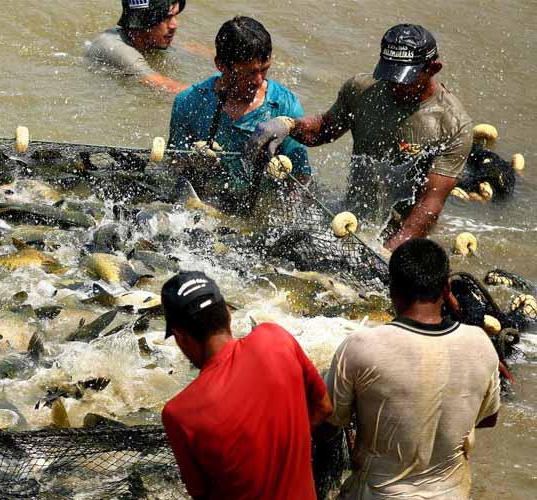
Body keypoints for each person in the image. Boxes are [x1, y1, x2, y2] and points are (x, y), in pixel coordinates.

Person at [250, 24, 473, 251]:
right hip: (351, 218)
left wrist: (386, 253)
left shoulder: (453, 125)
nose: (395, 85)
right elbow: (324, 129)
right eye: (390, 75)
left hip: (402, 235)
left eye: (405, 79)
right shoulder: (362, 90)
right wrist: (289, 124)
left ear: (433, 68)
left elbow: (429, 205)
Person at [325, 238, 500, 499]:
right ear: (446, 288)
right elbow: (489, 417)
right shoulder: (481, 344)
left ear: (392, 289)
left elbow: (328, 422)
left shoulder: (360, 346)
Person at [161, 271, 333, 499]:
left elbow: (200, 493)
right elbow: (324, 407)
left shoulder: (179, 414)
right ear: (229, 314)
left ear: (181, 337)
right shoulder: (276, 338)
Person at [168, 16, 309, 202]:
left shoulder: (284, 108)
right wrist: (191, 161)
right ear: (221, 65)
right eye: (250, 72)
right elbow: (172, 167)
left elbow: (301, 178)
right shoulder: (189, 103)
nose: (258, 81)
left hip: (259, 206)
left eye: (264, 70)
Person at [86, 0, 189, 94]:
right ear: (144, 19)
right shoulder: (117, 48)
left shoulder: (152, 39)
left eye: (176, 16)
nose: (174, 25)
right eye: (166, 17)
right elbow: (162, 84)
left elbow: (193, 48)